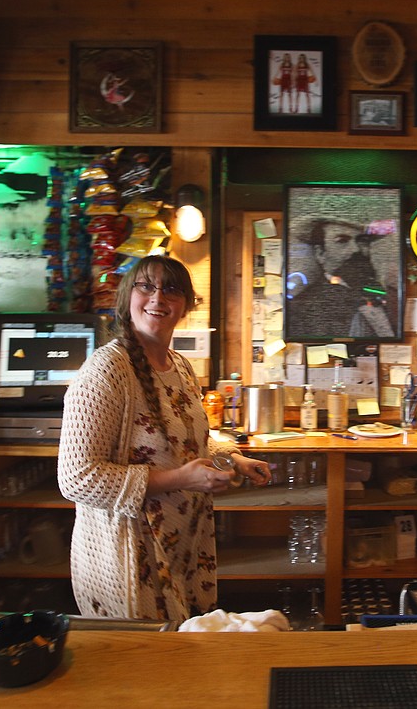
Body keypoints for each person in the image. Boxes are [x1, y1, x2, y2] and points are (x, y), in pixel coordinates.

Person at [58, 255, 270, 625]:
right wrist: (182, 479)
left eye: (171, 289)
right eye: (146, 286)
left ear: (186, 305)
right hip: (129, 555)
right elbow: (76, 477)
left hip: (182, 545)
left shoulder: (180, 366)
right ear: (127, 297)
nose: (158, 298)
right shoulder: (106, 370)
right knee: (143, 668)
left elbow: (186, 443)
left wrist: (232, 460)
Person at [286, 217, 398, 339]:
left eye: (362, 241)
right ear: (320, 253)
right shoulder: (301, 309)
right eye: (342, 241)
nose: (356, 249)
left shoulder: (385, 298)